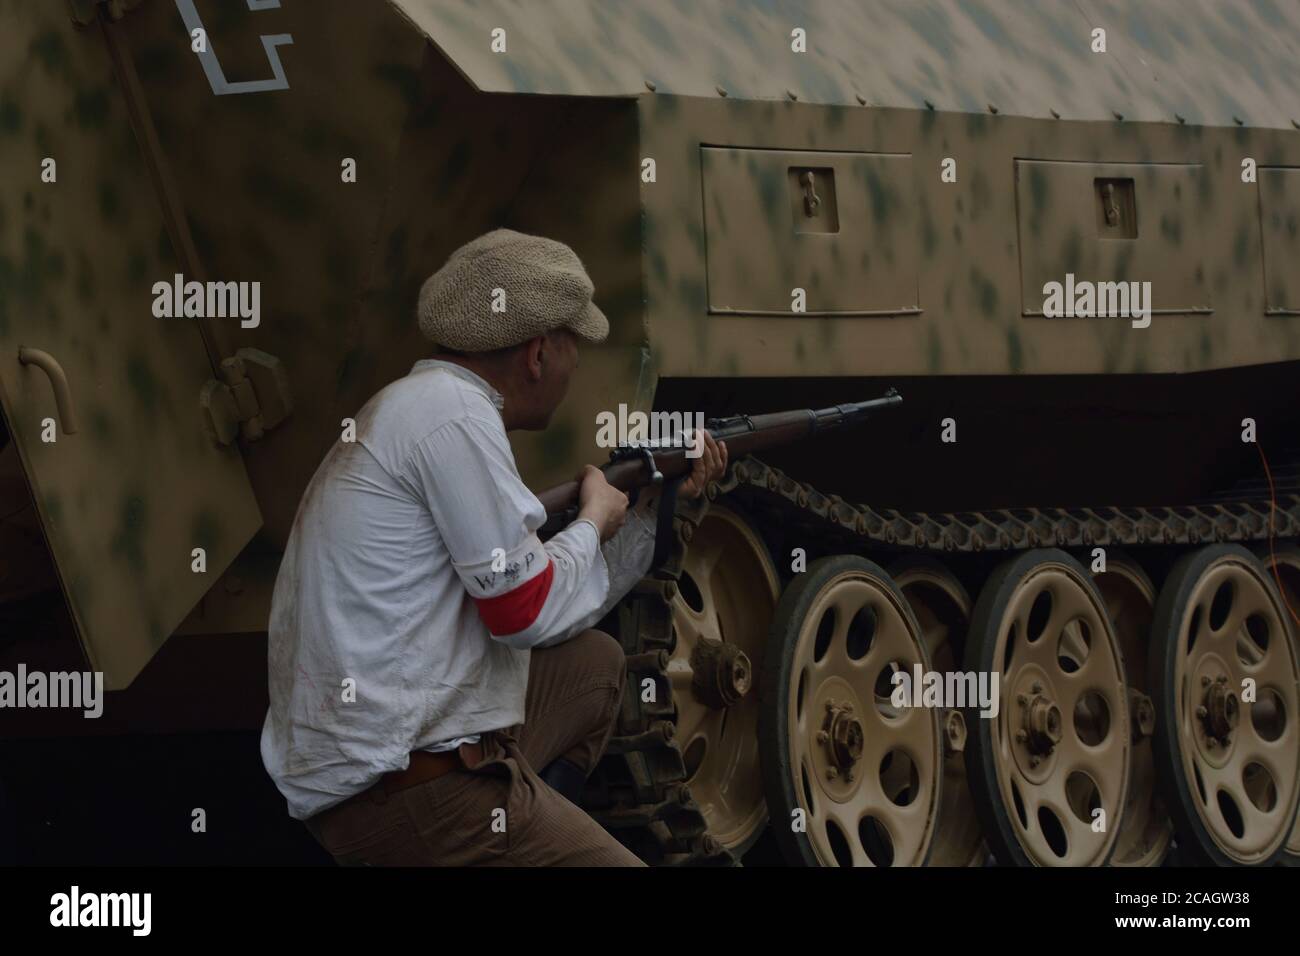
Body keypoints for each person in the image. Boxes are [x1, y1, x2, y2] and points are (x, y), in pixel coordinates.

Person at [259, 228, 726, 865]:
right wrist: (592, 521)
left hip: (371, 763)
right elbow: (524, 610)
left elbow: (554, 608)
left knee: (594, 666)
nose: (576, 364)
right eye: (572, 345)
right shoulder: (455, 419)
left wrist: (644, 514)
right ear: (537, 353)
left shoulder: (417, 404)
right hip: (405, 792)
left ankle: (528, 825)